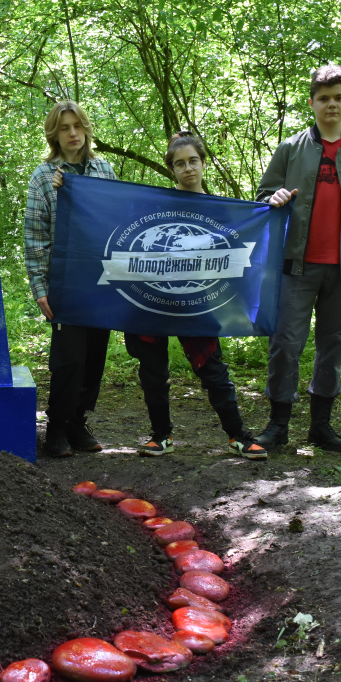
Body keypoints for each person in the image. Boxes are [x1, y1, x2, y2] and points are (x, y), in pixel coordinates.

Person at [126, 131, 288, 460]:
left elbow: (248, 241)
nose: (188, 168)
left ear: (203, 163)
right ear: (172, 169)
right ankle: (161, 436)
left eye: (193, 161)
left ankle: (238, 436)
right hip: (154, 299)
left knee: (212, 367)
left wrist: (272, 208)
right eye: (180, 163)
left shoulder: (222, 209)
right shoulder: (158, 205)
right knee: (152, 371)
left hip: (198, 301)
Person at [254, 64, 341, 452]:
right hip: (296, 264)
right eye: (324, 98)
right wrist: (274, 198)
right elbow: (263, 193)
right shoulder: (291, 148)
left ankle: (322, 426)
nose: (331, 104)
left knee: (333, 344)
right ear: (312, 103)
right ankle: (278, 425)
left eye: (338, 97)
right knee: (286, 343)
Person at [24, 101, 115, 458]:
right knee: (69, 357)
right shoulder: (44, 176)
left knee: (95, 355)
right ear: (54, 134)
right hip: (64, 279)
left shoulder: (104, 170)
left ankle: (78, 422)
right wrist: (40, 287)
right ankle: (57, 426)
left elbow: (116, 221)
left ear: (87, 128)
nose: (73, 133)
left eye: (78, 126)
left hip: (102, 278)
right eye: (65, 128)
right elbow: (35, 238)